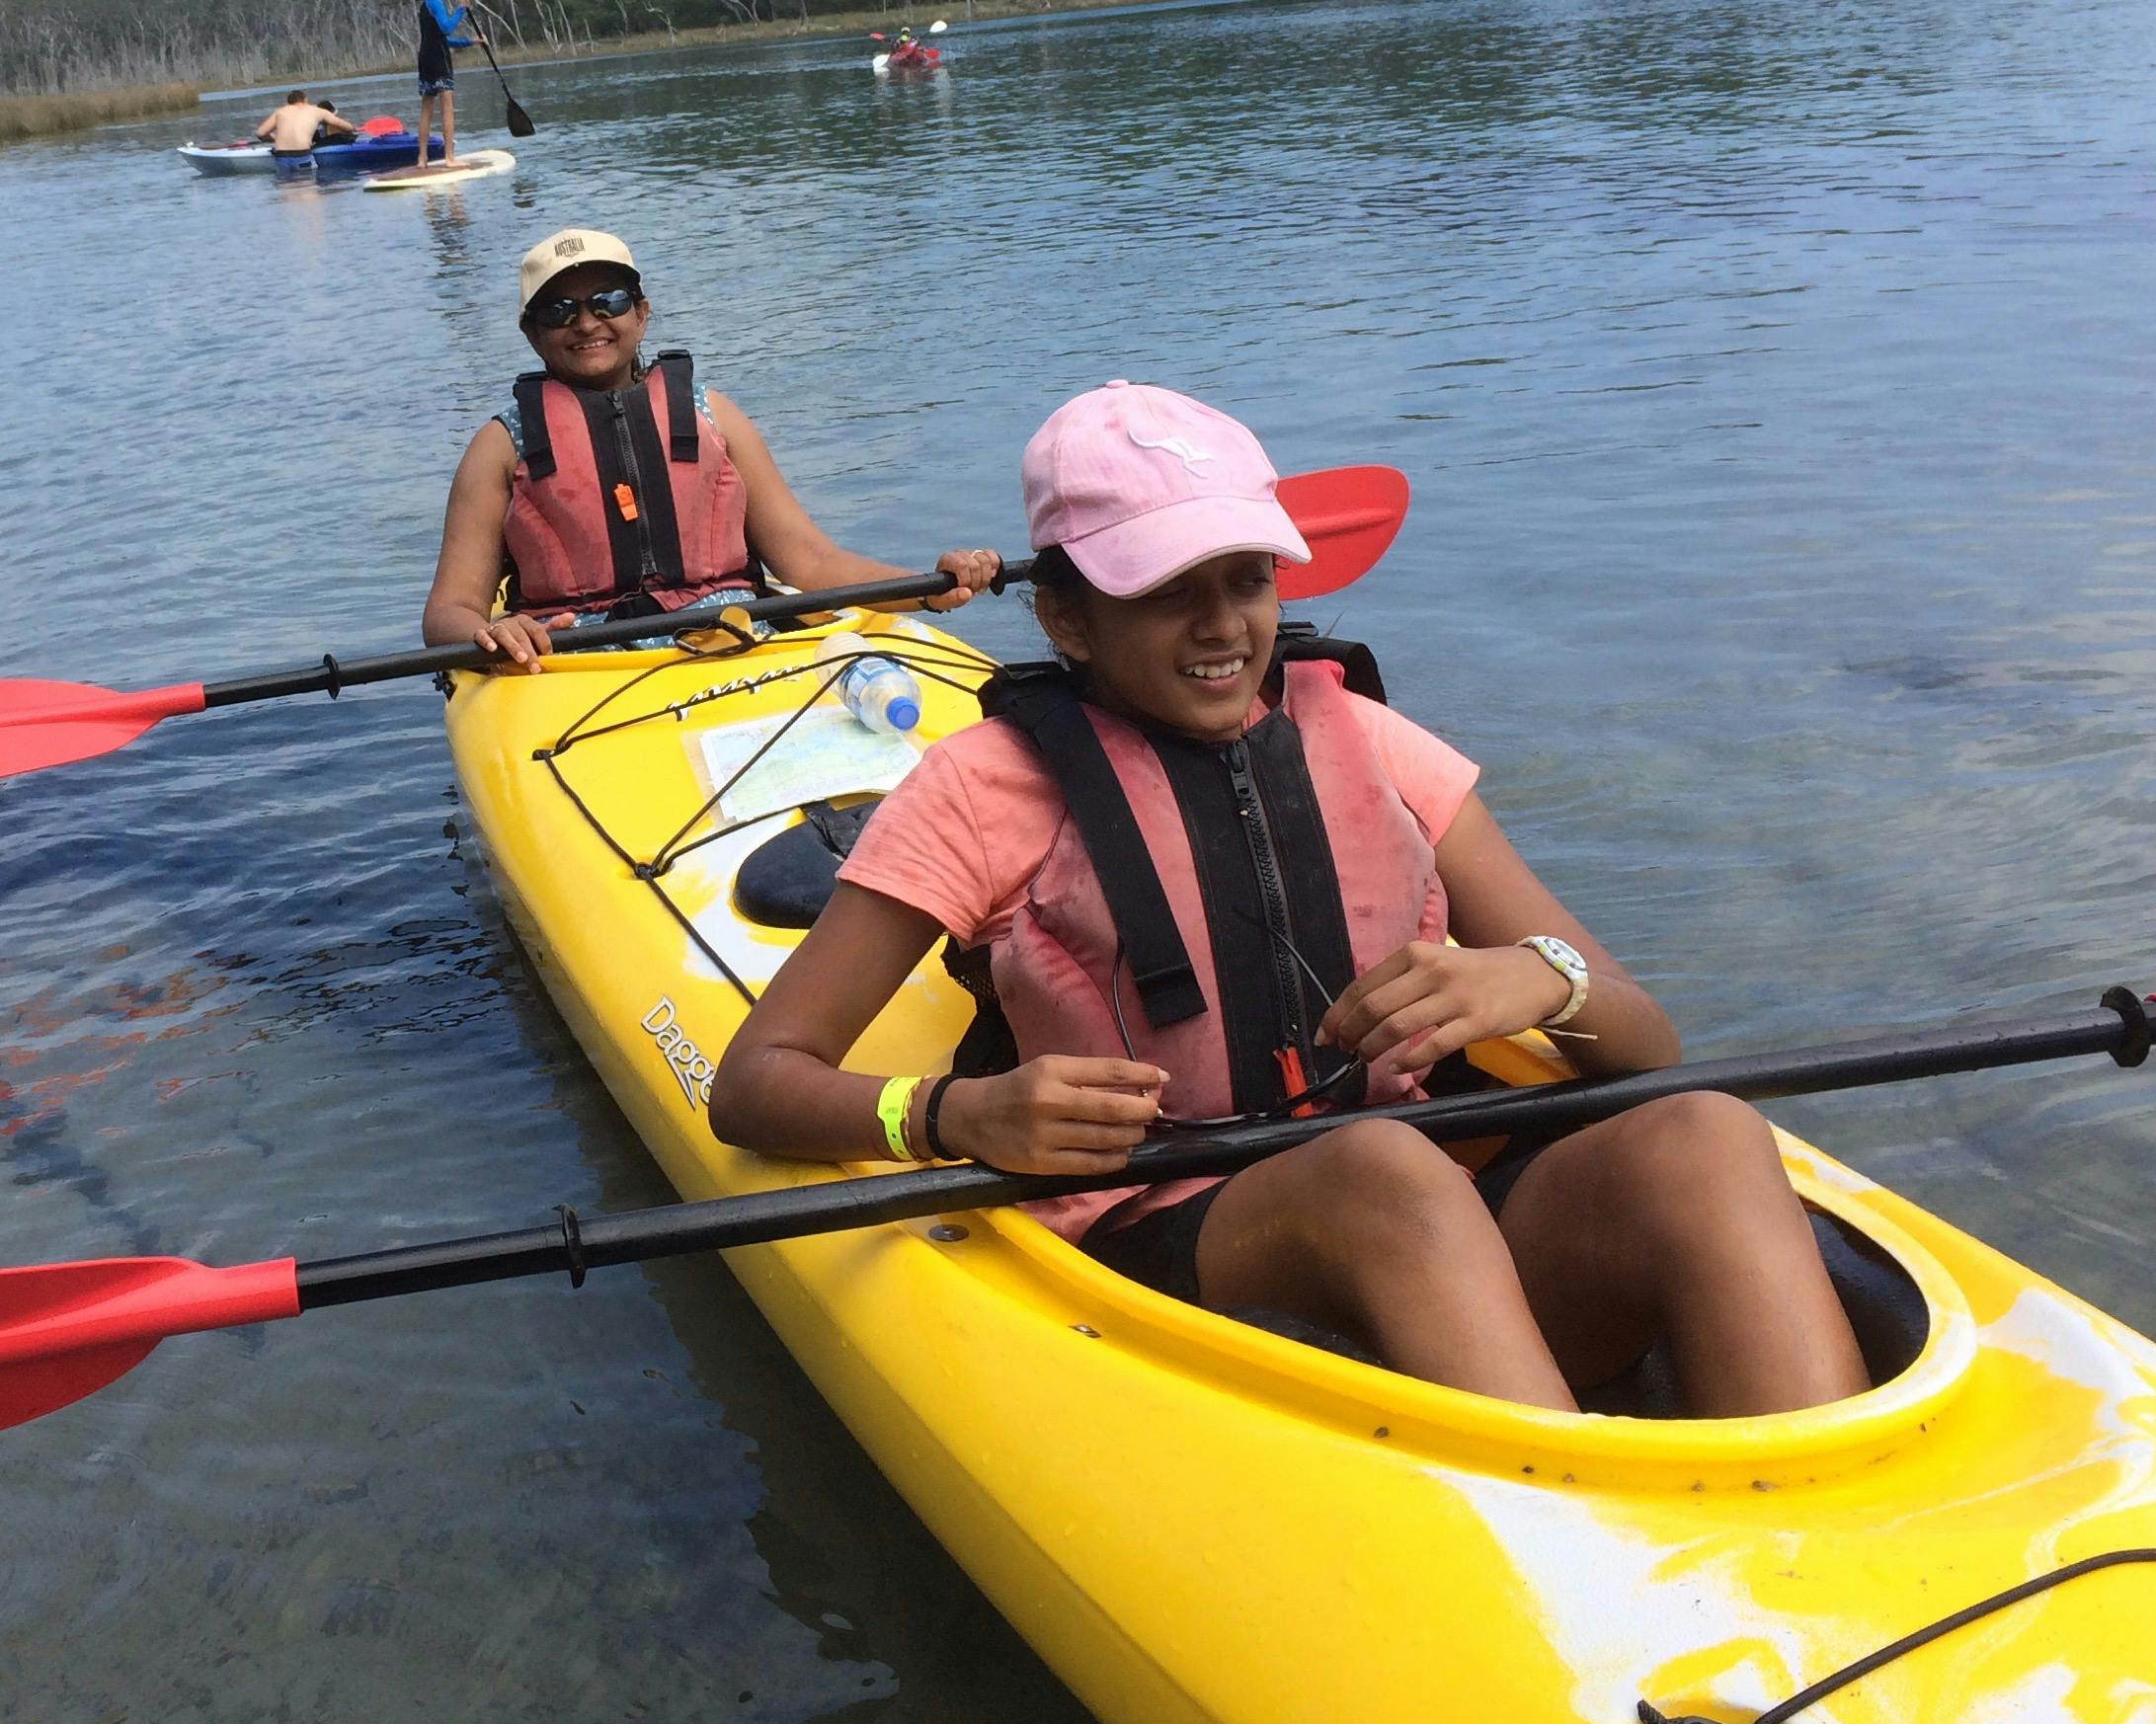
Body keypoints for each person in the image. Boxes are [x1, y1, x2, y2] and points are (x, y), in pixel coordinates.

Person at [708, 381, 1870, 1420]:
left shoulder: (1373, 743)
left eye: (1248, 579)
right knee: (1381, 1172)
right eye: (1169, 592)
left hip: (1423, 1209)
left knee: (1709, 1131)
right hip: (1166, 1234)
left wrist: (1540, 978)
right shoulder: (983, 789)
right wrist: (953, 1117)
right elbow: (759, 1084)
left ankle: (1840, 1539)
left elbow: (1644, 1039)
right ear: (1069, 621)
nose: (1224, 628)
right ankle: (1575, 1538)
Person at [422, 227, 1004, 667]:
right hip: (581, 660)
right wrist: (489, 634)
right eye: (559, 311)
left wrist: (927, 590)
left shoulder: (713, 415)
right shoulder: (500, 446)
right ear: (532, 333)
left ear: (642, 314)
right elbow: (449, 610)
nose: (587, 322)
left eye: (609, 301)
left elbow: (811, 563)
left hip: (736, 637)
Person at [416, 0, 477, 167]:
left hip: (425, 59)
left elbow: (440, 39)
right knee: (447, 109)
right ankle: (450, 158)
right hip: (439, 61)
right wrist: (461, 8)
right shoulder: (436, 2)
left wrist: (471, 41)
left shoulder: (423, 6)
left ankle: (422, 158)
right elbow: (447, 28)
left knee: (426, 109)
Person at [252, 89, 358, 154]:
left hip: (281, 156)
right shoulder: (316, 110)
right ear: (305, 100)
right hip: (301, 155)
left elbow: (260, 133)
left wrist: (275, 138)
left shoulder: (280, 112)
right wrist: (352, 128)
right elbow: (344, 126)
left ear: (289, 103)